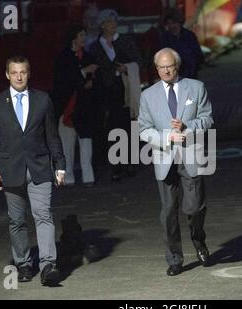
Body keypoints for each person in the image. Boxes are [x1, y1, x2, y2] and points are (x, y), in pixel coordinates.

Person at [0, 55, 66, 286]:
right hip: (10, 169)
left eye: (23, 72)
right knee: (17, 220)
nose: (19, 76)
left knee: (43, 215)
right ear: (7, 74)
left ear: (29, 73)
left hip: (40, 167)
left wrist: (60, 165)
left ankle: (49, 265)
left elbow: (52, 135)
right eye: (14, 72)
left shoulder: (43, 99)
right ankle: (24, 264)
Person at [138, 48, 214, 276]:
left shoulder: (196, 87)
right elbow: (143, 129)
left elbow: (207, 118)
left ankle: (198, 239)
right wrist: (166, 137)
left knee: (195, 207)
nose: (165, 71)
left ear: (177, 65)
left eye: (169, 66)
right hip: (164, 158)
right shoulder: (148, 95)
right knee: (168, 211)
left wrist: (187, 128)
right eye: (160, 67)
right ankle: (174, 259)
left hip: (190, 155)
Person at [89, 8, 142, 181]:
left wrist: (127, 68)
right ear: (103, 25)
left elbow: (139, 60)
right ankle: (117, 165)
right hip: (108, 90)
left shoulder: (125, 41)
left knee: (129, 124)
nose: (114, 25)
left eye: (115, 22)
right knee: (113, 127)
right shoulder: (96, 46)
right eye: (110, 22)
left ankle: (131, 163)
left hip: (125, 87)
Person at [52, 25, 98, 187]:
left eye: (84, 35)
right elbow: (63, 81)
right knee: (67, 145)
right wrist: (84, 73)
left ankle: (88, 176)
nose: (84, 38)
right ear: (73, 38)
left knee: (86, 142)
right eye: (81, 35)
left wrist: (90, 81)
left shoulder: (88, 56)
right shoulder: (63, 58)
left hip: (84, 107)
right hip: (68, 107)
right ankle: (68, 177)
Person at [160, 8, 204, 79]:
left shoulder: (189, 35)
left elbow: (198, 55)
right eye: (169, 24)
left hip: (190, 75)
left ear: (179, 23)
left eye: (174, 23)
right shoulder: (165, 38)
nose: (172, 26)